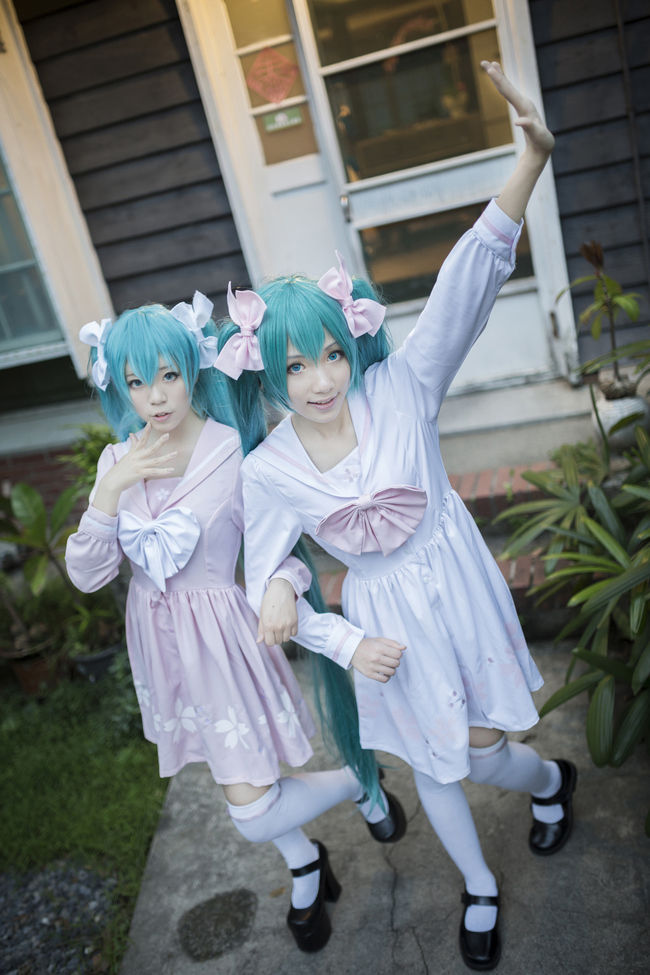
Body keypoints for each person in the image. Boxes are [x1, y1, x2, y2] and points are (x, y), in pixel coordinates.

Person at [219, 63, 577, 971]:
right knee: (429, 760)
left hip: (451, 580)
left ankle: (551, 779)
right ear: (267, 374)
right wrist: (322, 625)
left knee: (485, 753)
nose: (319, 380)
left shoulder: (401, 385)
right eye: (294, 367)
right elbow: (267, 579)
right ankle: (480, 887)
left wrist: (529, 160)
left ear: (351, 345)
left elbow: (465, 282)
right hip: (381, 619)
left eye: (329, 355)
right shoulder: (268, 468)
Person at [64, 295, 405, 954]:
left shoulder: (233, 452)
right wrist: (110, 491)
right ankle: (306, 865)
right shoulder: (117, 462)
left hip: (226, 642)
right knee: (244, 782)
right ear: (120, 387)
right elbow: (88, 574)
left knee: (250, 809)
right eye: (137, 382)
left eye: (168, 375)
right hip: (163, 649)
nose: (156, 396)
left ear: (192, 368)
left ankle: (358, 780)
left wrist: (280, 584)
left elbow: (283, 552)